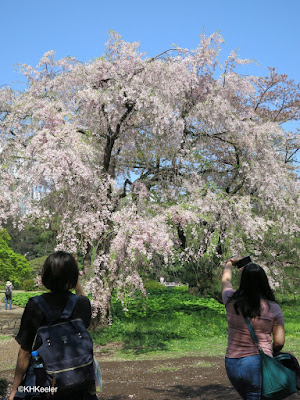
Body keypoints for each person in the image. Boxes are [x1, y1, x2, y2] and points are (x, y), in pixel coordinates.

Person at [9, 251, 97, 400]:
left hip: (44, 382)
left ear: (45, 276)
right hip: (80, 381)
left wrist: (14, 390)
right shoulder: (82, 303)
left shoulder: (35, 305)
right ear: (74, 276)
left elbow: (25, 351)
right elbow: (84, 327)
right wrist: (75, 280)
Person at [222, 258, 285, 400]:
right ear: (264, 282)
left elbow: (225, 281)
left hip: (232, 363)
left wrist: (229, 263)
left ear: (243, 281)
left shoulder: (230, 300)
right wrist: (269, 351)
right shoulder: (273, 308)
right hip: (257, 363)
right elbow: (279, 342)